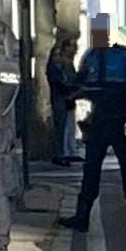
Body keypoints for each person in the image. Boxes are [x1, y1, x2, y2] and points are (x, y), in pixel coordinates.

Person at [57, 18, 126, 232]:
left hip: (100, 120)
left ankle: (83, 217)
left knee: (92, 169)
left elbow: (78, 86)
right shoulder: (124, 55)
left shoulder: (92, 57)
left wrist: (77, 94)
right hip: (122, 118)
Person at [0, 17, 25, 251]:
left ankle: (0, 244)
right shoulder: (10, 67)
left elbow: (0, 103)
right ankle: (0, 243)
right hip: (3, 133)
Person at [45, 34, 80, 164]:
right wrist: (68, 90)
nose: (75, 50)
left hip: (68, 96)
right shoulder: (58, 63)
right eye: (73, 46)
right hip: (60, 96)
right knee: (61, 125)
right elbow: (58, 80)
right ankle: (62, 152)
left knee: (69, 124)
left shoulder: (68, 63)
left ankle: (69, 150)